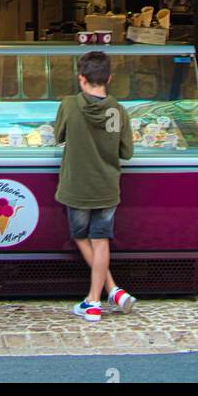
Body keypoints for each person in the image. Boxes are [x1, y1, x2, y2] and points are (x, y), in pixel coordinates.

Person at [54, 50, 137, 322]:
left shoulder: (69, 105)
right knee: (101, 240)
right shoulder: (116, 110)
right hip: (106, 187)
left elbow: (58, 136)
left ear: (81, 78)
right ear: (109, 78)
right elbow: (125, 151)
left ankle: (93, 301)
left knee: (80, 235)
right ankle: (112, 290)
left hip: (76, 186)